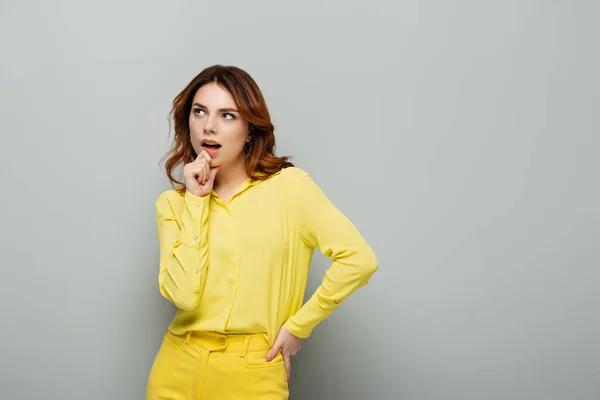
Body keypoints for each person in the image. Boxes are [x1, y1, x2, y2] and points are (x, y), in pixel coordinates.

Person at [146, 64, 378, 399]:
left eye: (227, 116)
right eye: (200, 112)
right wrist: (196, 202)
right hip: (176, 366)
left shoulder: (290, 188)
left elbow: (359, 260)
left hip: (253, 371)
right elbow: (183, 296)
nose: (209, 127)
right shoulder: (173, 204)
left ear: (250, 129)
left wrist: (300, 325)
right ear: (188, 121)